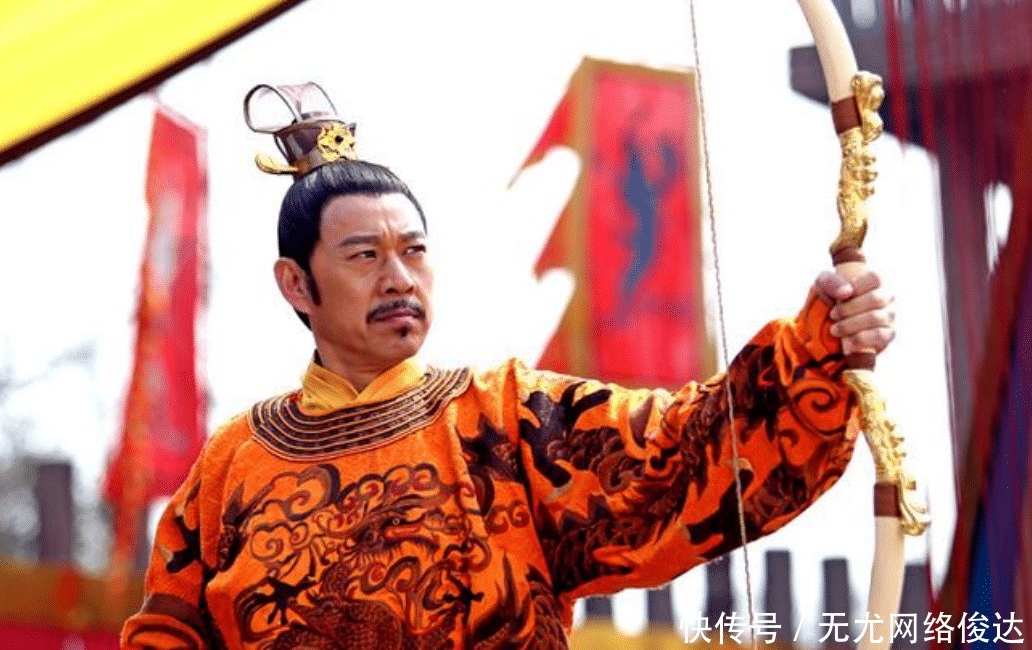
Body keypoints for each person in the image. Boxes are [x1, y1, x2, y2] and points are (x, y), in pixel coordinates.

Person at [121, 83, 896, 649]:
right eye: (364, 256)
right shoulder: (233, 465)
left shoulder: (504, 419)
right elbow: (167, 633)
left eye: (414, 251)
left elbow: (681, 448)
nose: (399, 279)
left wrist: (821, 344)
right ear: (296, 284)